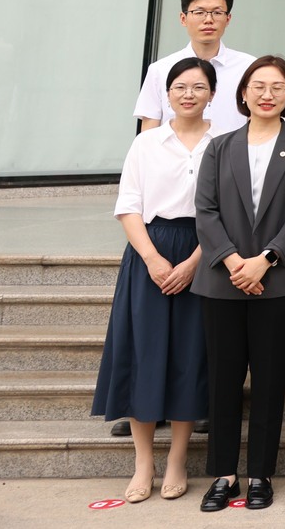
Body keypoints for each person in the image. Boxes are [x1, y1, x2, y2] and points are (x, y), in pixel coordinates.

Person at [192, 58, 285, 513]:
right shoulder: (219, 147)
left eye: (278, 87)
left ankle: (260, 475)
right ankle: (223, 474)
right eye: (259, 86)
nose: (267, 94)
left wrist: (265, 260)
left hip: (279, 279)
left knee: (269, 382)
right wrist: (234, 261)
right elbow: (206, 210)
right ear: (244, 93)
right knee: (223, 381)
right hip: (223, 280)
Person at [95, 57, 216, 503]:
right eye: (179, 87)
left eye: (198, 87)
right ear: (166, 95)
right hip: (149, 250)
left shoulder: (223, 144)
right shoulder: (146, 143)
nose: (188, 94)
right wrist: (153, 259)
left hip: (205, 251)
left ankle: (178, 459)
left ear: (212, 95)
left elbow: (225, 212)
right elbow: (128, 205)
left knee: (190, 356)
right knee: (142, 353)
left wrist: (195, 262)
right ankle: (143, 462)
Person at [135, 0, 254, 132]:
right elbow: (149, 133)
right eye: (199, 12)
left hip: (232, 148)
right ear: (183, 19)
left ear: (228, 19)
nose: (208, 20)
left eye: (217, 13)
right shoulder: (160, 70)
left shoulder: (248, 68)